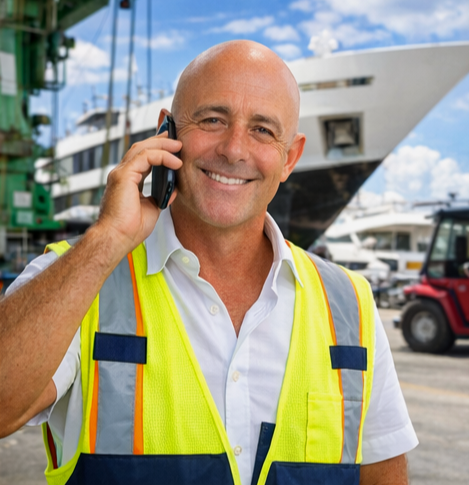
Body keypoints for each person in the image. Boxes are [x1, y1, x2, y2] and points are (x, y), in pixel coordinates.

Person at [0, 40, 417, 485]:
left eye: (262, 130)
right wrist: (108, 238)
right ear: (166, 132)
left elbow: (381, 473)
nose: (234, 149)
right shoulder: (76, 276)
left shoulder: (349, 304)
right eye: (213, 120)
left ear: (289, 157)